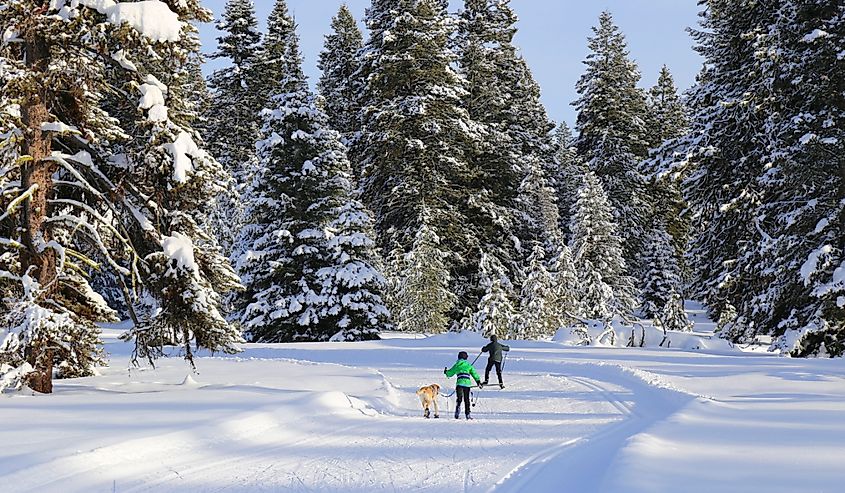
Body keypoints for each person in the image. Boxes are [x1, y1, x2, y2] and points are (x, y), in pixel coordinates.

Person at [444, 351, 483, 420]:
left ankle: (457, 410)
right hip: (467, 385)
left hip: (459, 384)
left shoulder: (457, 365)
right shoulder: (469, 365)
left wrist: (446, 372)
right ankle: (467, 414)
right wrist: (478, 382)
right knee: (466, 399)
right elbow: (474, 374)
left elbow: (450, 373)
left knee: (459, 398)